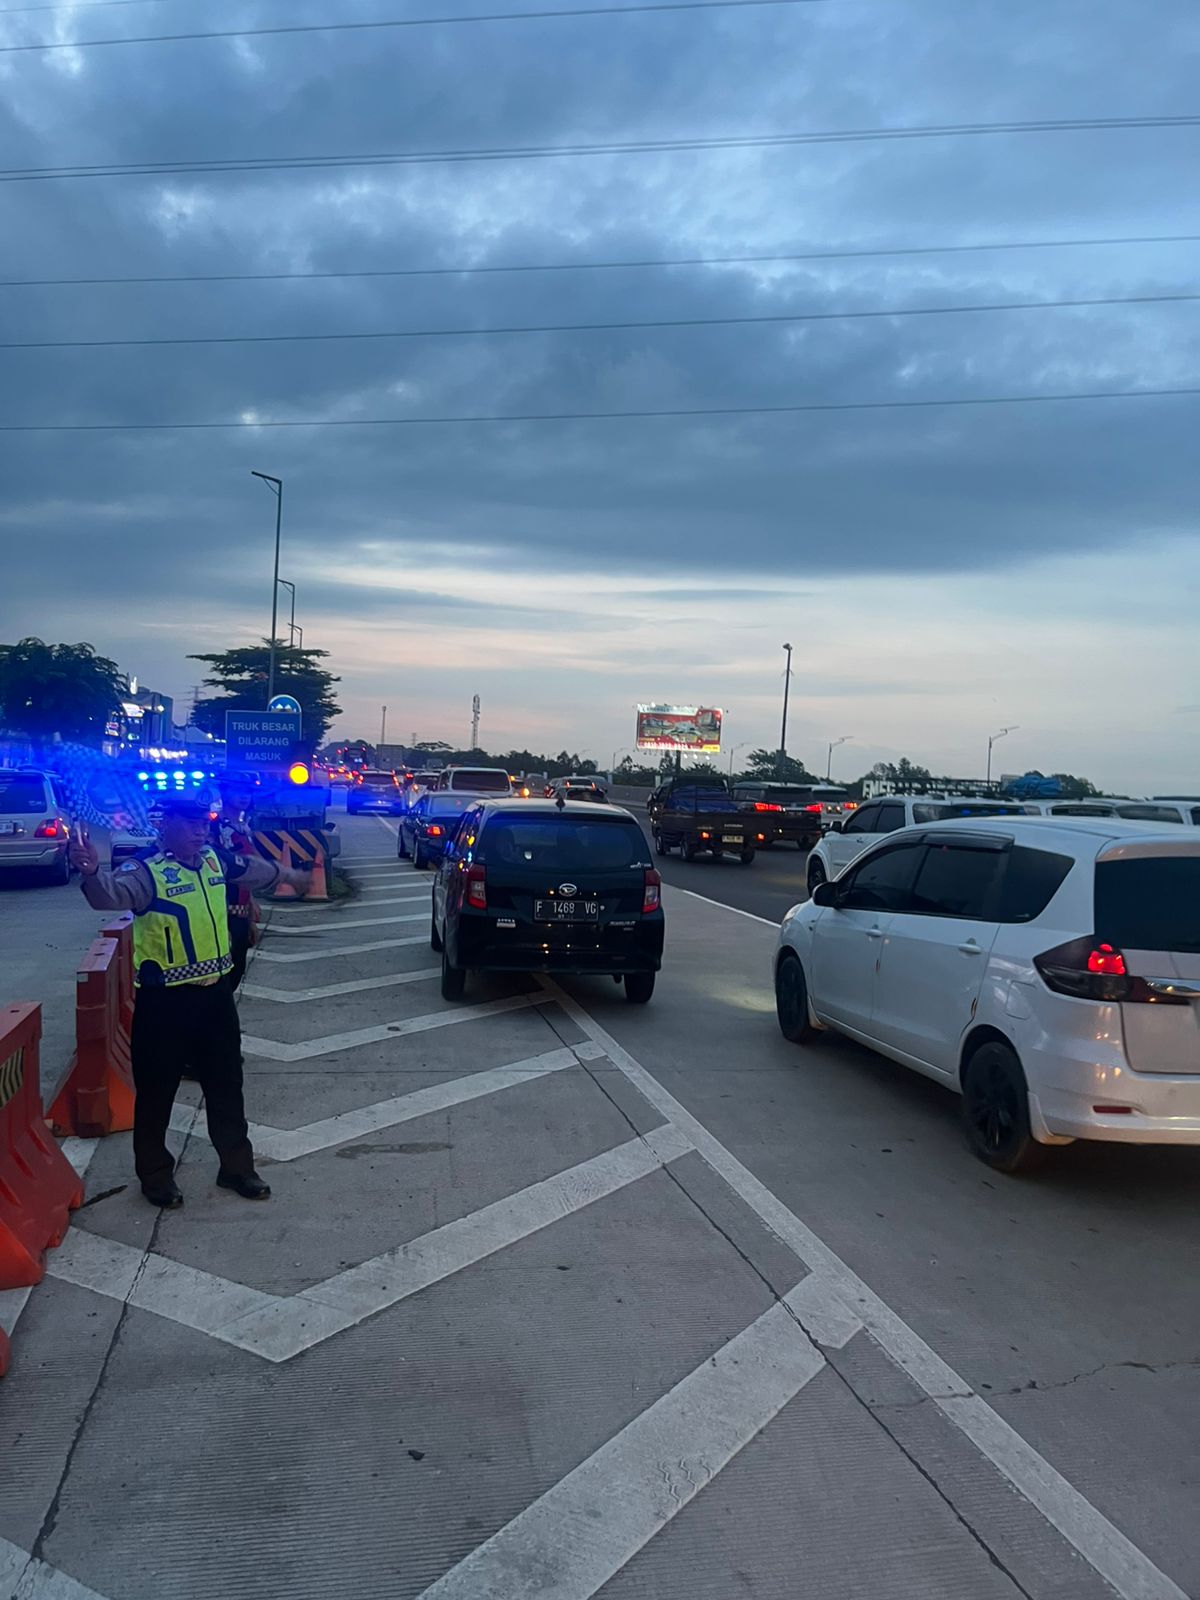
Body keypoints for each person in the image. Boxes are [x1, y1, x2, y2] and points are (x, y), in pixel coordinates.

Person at [69, 789, 310, 1209]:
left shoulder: (215, 860)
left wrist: (290, 876)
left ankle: (236, 1167)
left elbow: (253, 871)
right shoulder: (146, 870)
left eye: (204, 824)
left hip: (215, 997)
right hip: (165, 1004)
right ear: (166, 825)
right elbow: (111, 895)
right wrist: (91, 874)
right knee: (157, 1090)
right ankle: (156, 1176)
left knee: (226, 1085)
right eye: (191, 824)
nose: (201, 831)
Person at [213, 776, 258, 989]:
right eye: (237, 790)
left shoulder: (245, 828)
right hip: (221, 911)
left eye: (247, 791)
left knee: (238, 968)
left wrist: (251, 907)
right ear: (224, 793)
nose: (243, 796)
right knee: (223, 975)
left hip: (241, 910)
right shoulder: (215, 828)